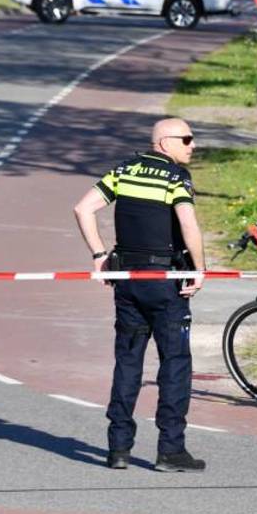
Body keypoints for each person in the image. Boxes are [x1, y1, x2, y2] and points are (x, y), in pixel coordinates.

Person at [72, 117, 207, 473]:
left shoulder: (123, 171)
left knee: (128, 362)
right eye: (186, 139)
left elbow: (82, 208)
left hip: (128, 280)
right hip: (165, 282)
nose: (193, 145)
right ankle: (171, 450)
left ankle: (118, 448)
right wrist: (199, 268)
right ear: (163, 143)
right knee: (175, 363)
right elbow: (188, 224)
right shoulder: (175, 178)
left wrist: (100, 255)